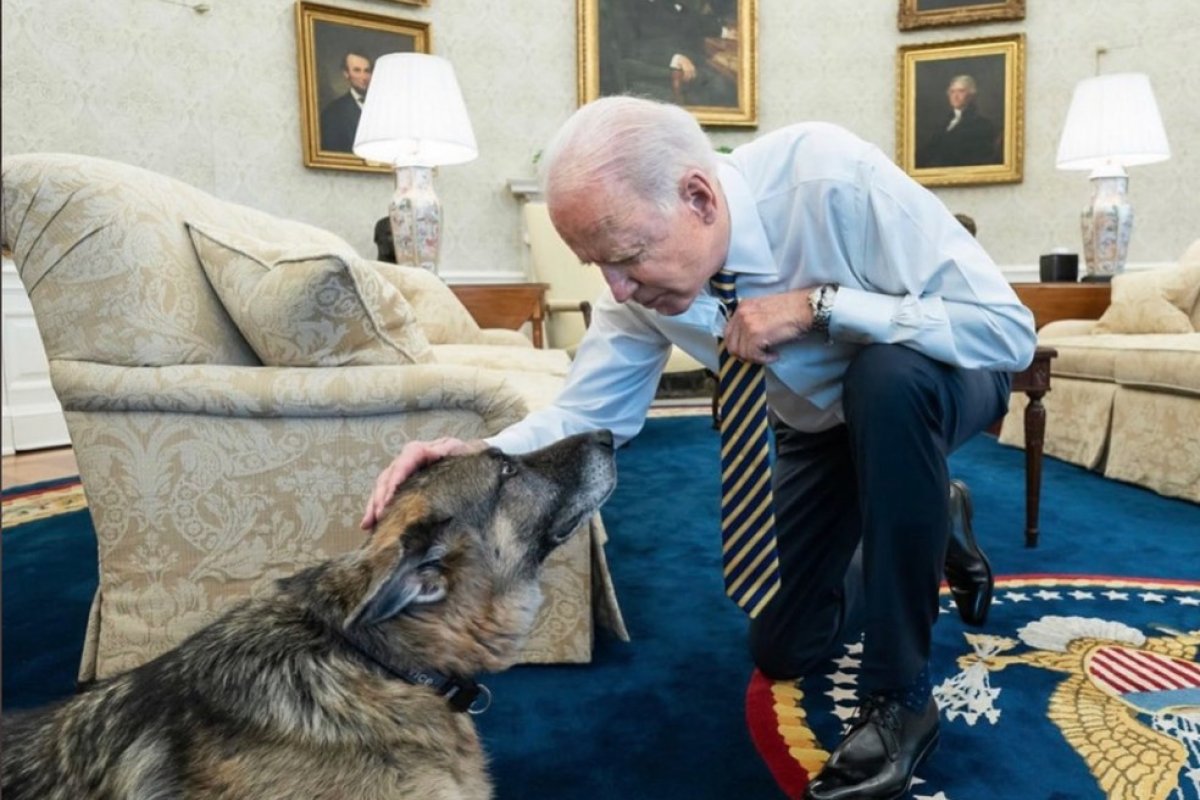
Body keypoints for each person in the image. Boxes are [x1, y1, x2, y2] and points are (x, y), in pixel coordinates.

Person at [361, 96, 1036, 799]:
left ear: (699, 198)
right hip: (816, 426)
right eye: (597, 266)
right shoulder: (635, 293)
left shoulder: (832, 180)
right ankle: (931, 513)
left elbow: (1007, 333)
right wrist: (478, 455)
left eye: (627, 258)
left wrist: (823, 307)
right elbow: (590, 414)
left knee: (886, 379)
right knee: (784, 648)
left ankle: (900, 700)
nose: (617, 287)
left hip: (939, 382)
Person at [598, 0, 736, 107]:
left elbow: (688, 19)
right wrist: (674, 58)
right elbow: (629, 48)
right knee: (723, 87)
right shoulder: (621, 6)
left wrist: (723, 32)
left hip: (689, 62)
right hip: (654, 74)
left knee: (728, 82)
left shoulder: (662, 3)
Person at [917, 74, 1000, 168]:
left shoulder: (983, 125)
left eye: (961, 91)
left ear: (971, 95)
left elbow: (976, 159)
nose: (955, 96)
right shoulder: (943, 123)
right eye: (952, 92)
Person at [320, 50, 372, 153]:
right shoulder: (333, 112)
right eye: (357, 70)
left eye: (367, 71)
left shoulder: (383, 107)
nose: (364, 77)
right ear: (346, 74)